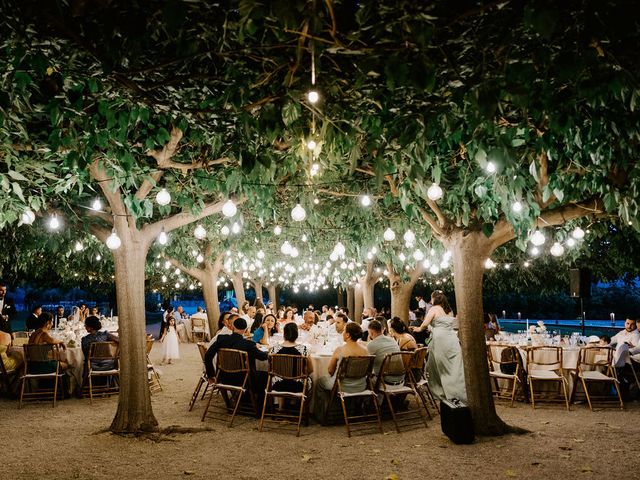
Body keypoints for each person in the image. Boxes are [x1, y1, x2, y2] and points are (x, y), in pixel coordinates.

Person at [410, 291, 466, 402]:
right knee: (454, 365)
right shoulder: (449, 311)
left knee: (439, 365)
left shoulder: (434, 309)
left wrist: (417, 329)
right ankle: (457, 391)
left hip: (440, 339)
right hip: (452, 338)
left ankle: (442, 391)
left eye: (431, 299)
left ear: (434, 299)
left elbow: (425, 324)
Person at [204, 317, 268, 396]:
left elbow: (208, 355)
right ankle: (258, 403)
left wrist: (211, 375)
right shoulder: (248, 345)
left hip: (222, 377)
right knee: (266, 375)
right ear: (245, 330)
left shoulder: (221, 339)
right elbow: (263, 357)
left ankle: (243, 399)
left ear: (233, 327)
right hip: (243, 379)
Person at [318, 322, 369, 393]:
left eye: (344, 331)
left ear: (348, 335)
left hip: (342, 386)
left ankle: (330, 403)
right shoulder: (365, 351)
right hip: (361, 386)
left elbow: (330, 371)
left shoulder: (340, 350)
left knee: (319, 381)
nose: (343, 333)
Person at [270, 323, 313, 393]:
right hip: (298, 385)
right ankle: (295, 402)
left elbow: (272, 368)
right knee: (310, 380)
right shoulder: (303, 349)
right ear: (297, 335)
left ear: (284, 335)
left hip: (278, 385)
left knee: (277, 378)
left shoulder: (274, 349)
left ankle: (281, 403)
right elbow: (311, 369)